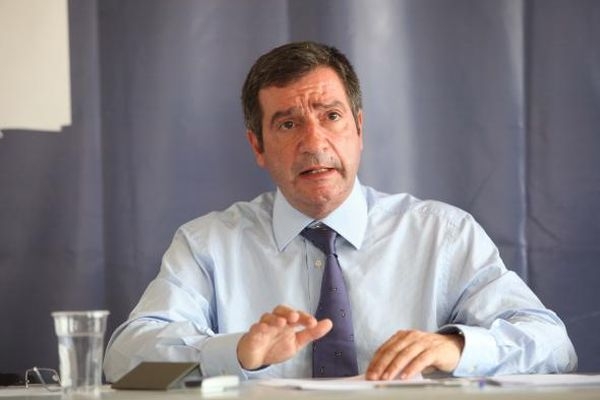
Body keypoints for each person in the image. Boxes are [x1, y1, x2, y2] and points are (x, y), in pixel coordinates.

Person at [103, 41, 577, 382]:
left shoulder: (442, 234)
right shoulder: (207, 244)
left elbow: (554, 345)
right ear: (257, 147)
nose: (314, 142)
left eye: (330, 116)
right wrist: (236, 353)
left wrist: (456, 347)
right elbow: (123, 360)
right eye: (287, 124)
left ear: (359, 128)